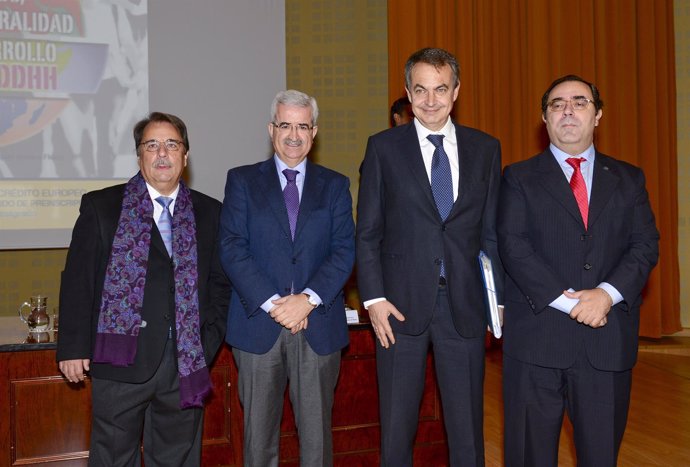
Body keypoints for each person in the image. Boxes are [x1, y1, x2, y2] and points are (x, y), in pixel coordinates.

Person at [498, 75, 660, 467]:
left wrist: (606, 294)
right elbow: (514, 246)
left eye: (580, 102)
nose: (568, 110)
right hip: (537, 342)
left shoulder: (629, 179)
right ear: (544, 118)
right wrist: (568, 303)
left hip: (606, 343)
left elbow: (645, 245)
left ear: (598, 115)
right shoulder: (517, 178)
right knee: (529, 457)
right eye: (557, 104)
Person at [56, 111, 231, 466]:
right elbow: (78, 281)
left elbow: (220, 286)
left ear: (185, 155)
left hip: (184, 363)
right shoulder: (102, 206)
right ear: (139, 155)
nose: (162, 153)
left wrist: (207, 341)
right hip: (120, 358)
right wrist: (72, 347)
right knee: (113, 458)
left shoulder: (210, 212)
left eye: (172, 144)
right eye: (152, 145)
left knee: (177, 458)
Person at [356, 47, 503, 467]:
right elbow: (367, 233)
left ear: (456, 91)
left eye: (441, 89)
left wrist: (498, 304)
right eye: (421, 90)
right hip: (398, 309)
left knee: (467, 434)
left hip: (466, 306)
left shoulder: (485, 149)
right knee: (396, 431)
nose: (431, 100)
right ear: (407, 91)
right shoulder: (383, 148)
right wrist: (373, 299)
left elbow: (491, 235)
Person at [219, 89, 355, 467]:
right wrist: (275, 304)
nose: (293, 135)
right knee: (258, 443)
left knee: (316, 443)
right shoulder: (242, 181)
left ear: (314, 132)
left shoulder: (335, 185)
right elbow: (231, 247)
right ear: (270, 129)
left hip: (317, 325)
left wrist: (308, 299)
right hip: (258, 325)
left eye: (302, 126)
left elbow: (345, 250)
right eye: (285, 125)